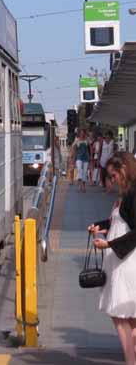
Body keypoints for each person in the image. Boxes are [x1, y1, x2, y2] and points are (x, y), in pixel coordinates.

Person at [88, 152, 136, 365]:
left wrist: (108, 243)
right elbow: (119, 222)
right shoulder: (126, 194)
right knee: (129, 315)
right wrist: (101, 225)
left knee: (120, 315)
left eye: (113, 175)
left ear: (124, 171)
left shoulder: (133, 195)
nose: (111, 180)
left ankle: (130, 360)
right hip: (121, 262)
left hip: (126, 263)